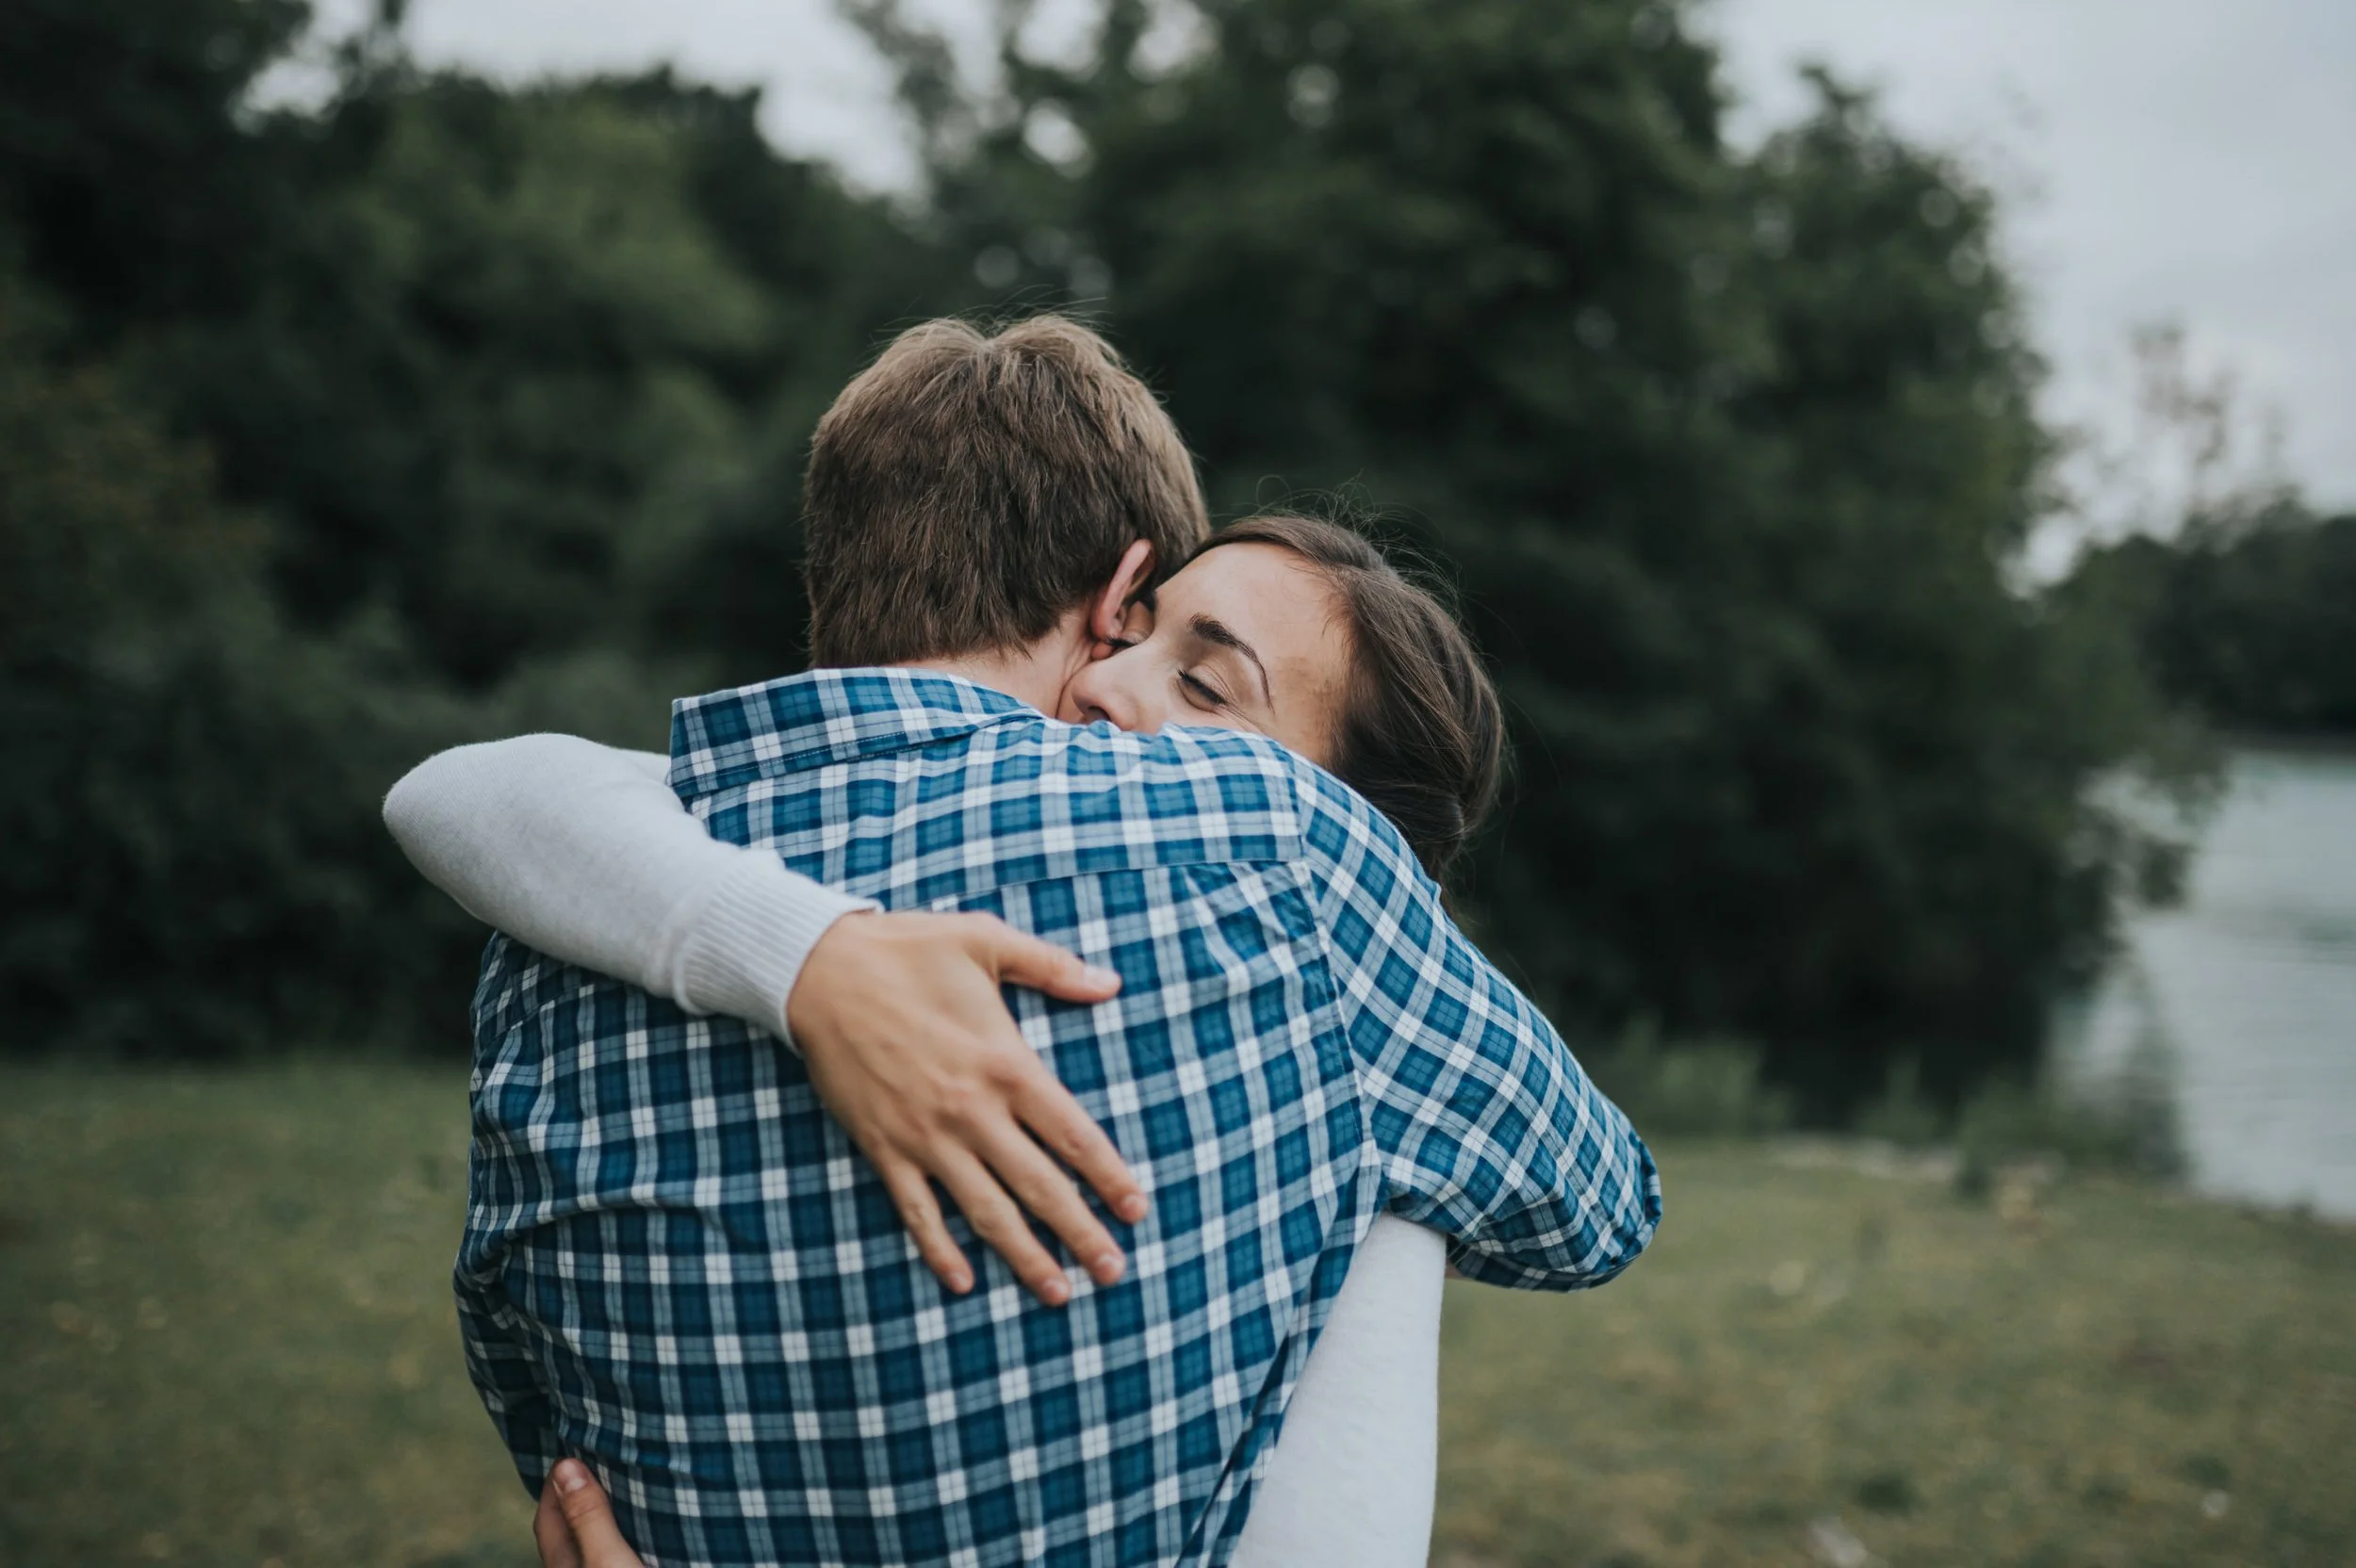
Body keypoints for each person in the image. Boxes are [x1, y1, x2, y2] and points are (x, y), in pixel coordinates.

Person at [403, 315, 1660, 1567]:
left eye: (1205, 686)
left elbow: (550, 1440)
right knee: (1394, 1155)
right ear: (1115, 595)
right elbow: (1600, 1208)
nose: (1117, 690)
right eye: (1142, 635)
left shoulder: (549, 939)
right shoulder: (1283, 859)